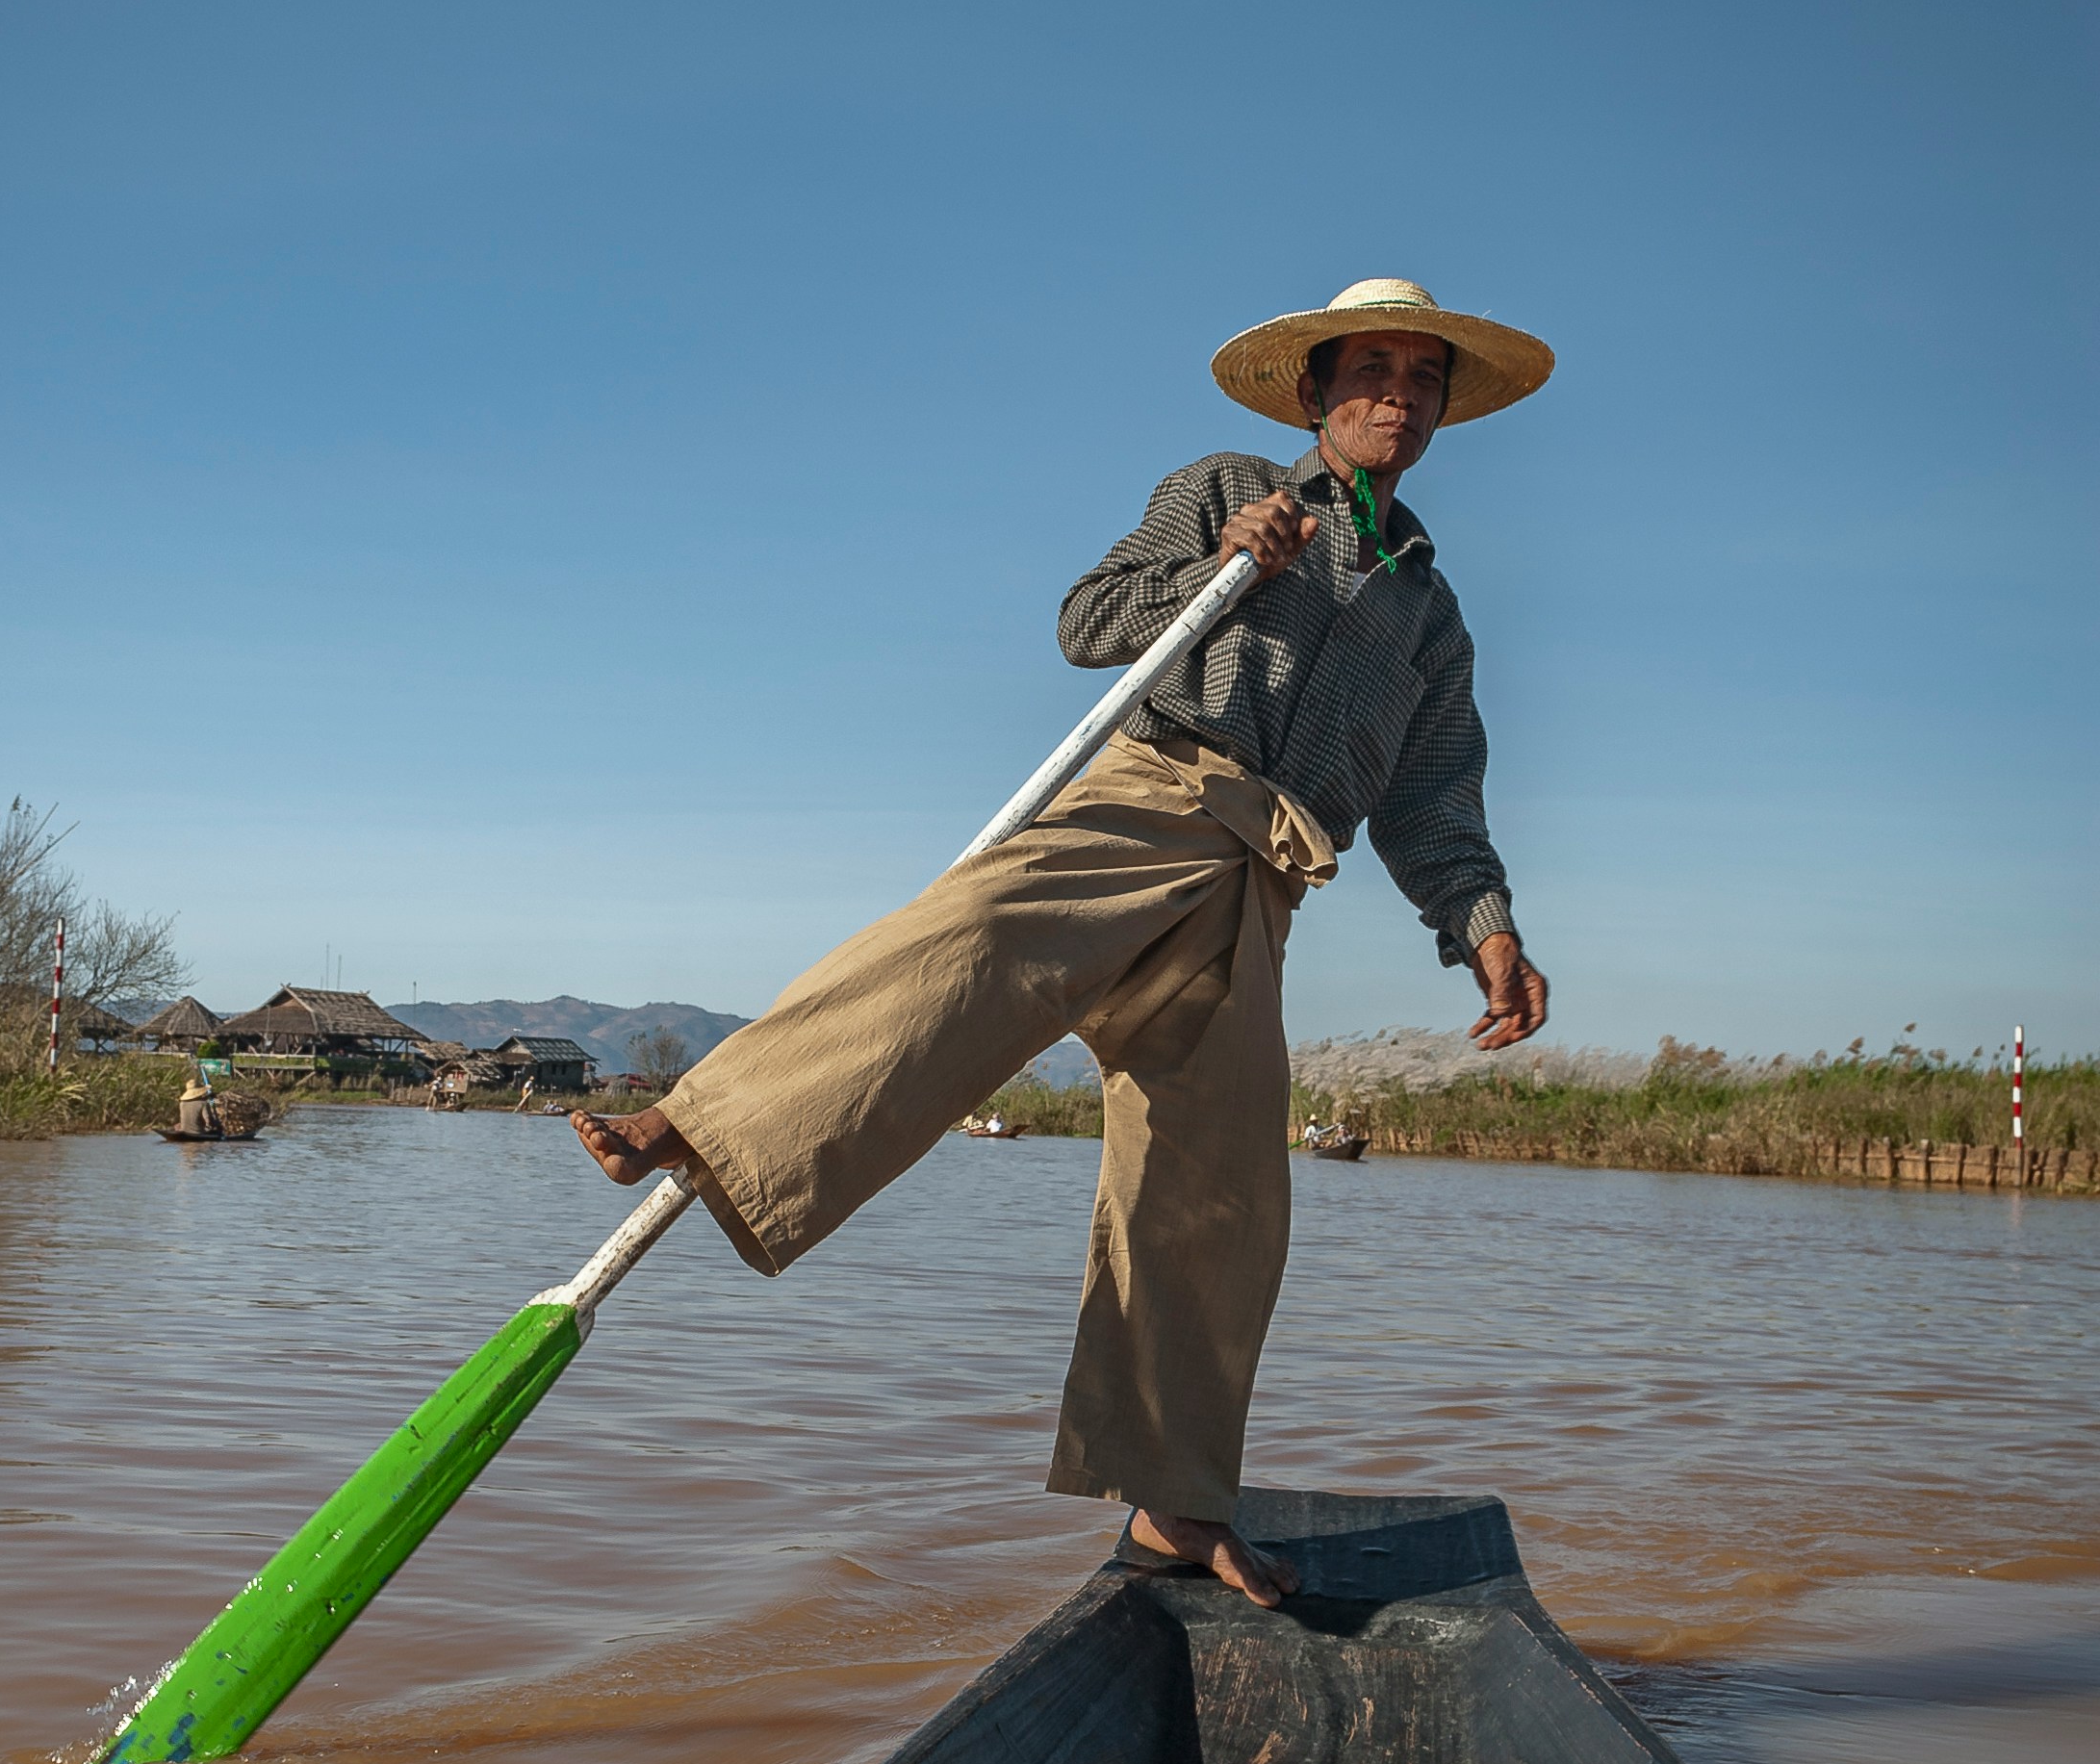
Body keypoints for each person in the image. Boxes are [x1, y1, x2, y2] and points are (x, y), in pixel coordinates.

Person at [574, 274, 1552, 1606]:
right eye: (1367, 367)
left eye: (1421, 375)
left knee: (1217, 1192)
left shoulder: (1427, 611)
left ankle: (1177, 1505)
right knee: (971, 944)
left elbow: (1434, 797)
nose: (1395, 390)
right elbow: (1087, 624)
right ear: (1315, 395)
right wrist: (1219, 568)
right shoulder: (1222, 488)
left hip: (1263, 879)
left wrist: (1482, 926)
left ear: (1442, 409)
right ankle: (708, 1118)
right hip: (1153, 799)